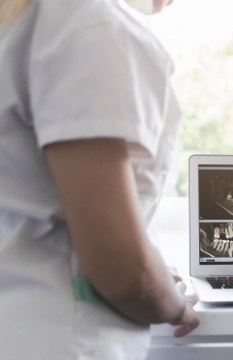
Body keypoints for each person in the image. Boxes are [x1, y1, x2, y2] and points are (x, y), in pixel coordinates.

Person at [0, 0, 199, 358]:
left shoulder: (30, 20)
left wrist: (149, 266)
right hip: (60, 338)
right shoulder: (90, 26)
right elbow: (124, 274)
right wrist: (175, 304)